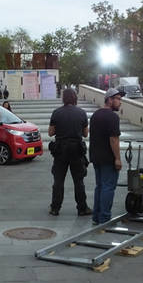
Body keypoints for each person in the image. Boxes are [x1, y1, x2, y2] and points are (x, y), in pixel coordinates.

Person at [48, 88, 91, 216]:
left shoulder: (57, 112)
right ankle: (82, 208)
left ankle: (55, 208)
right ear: (75, 98)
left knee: (58, 180)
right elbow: (85, 133)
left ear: (64, 98)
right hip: (76, 150)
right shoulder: (81, 113)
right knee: (78, 180)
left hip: (61, 149)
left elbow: (51, 133)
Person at [89, 88, 124, 225]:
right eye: (118, 99)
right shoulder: (113, 117)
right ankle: (104, 218)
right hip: (108, 158)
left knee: (100, 186)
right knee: (108, 187)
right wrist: (118, 158)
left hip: (96, 156)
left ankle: (96, 217)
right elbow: (113, 139)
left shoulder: (95, 115)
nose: (120, 102)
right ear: (109, 100)